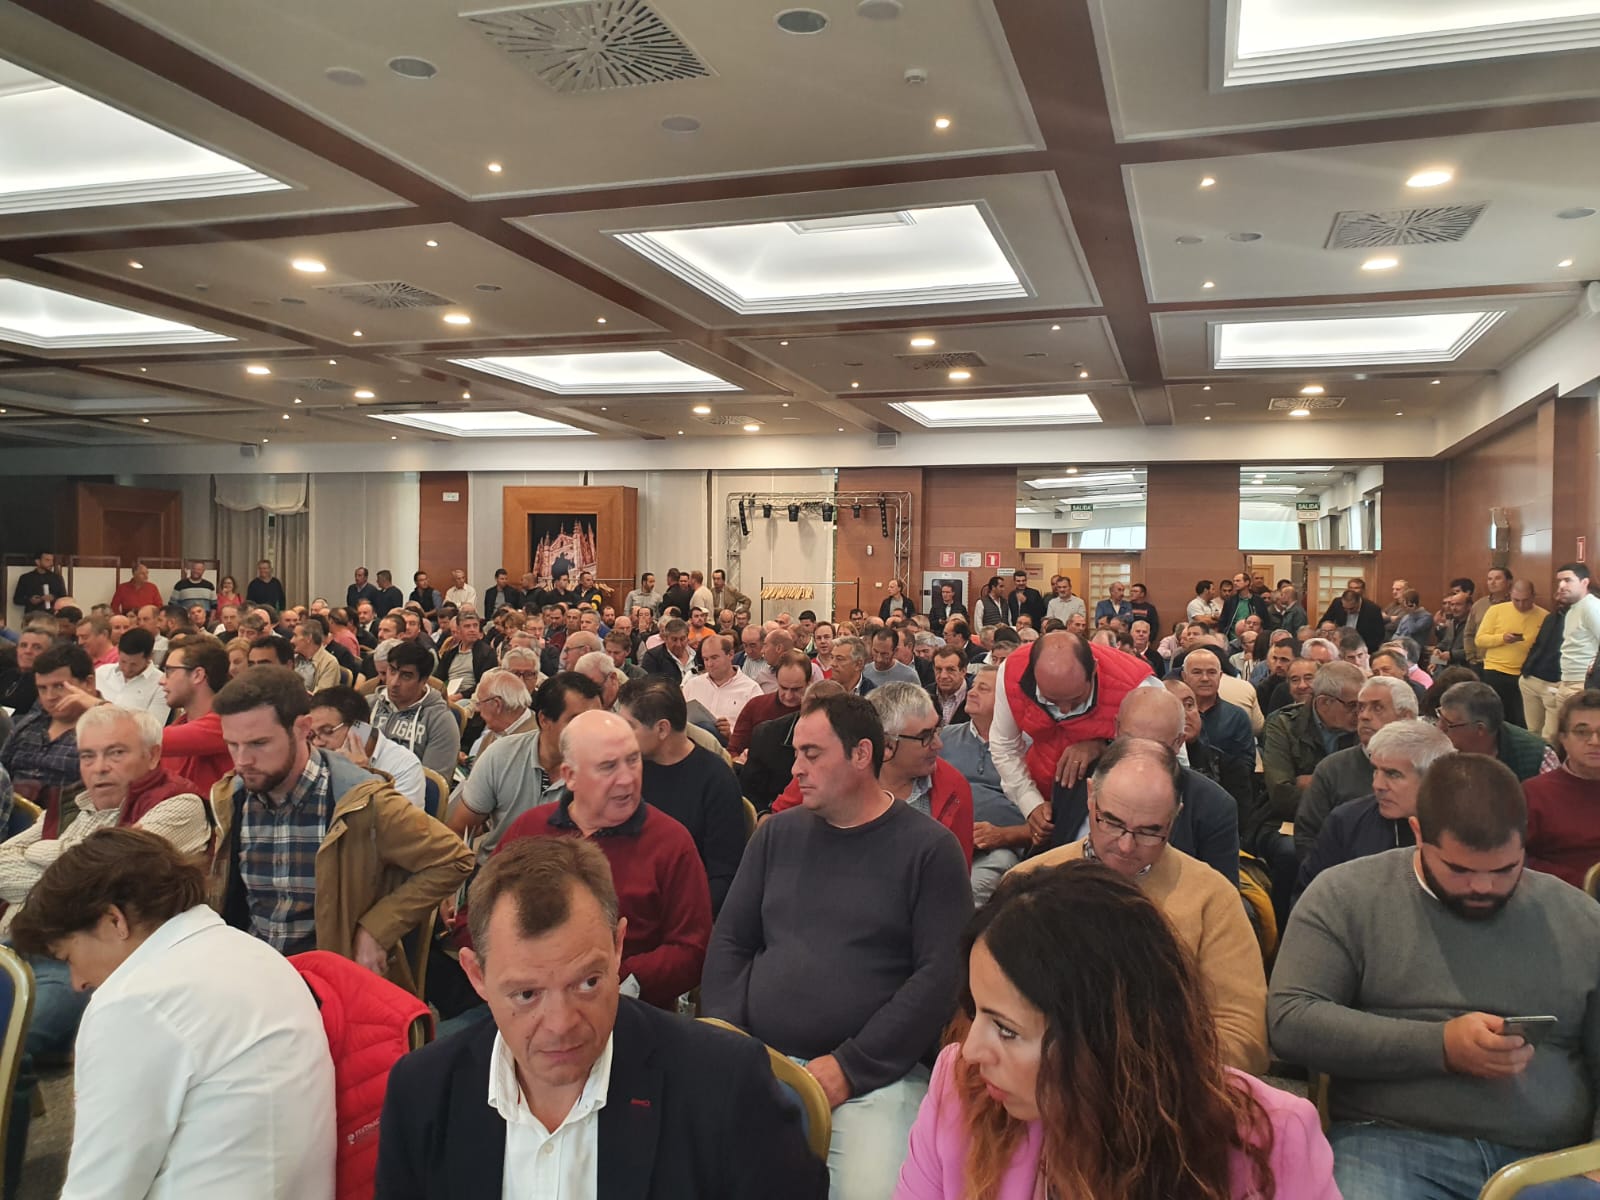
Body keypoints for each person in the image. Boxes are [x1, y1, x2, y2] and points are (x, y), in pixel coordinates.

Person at [376, 836, 824, 1198]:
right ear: (477, 976)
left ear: (618, 946)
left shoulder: (725, 1086)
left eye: (587, 983)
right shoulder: (421, 1093)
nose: (561, 1024)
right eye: (527, 994)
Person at [896, 863, 1336, 1200]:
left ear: (1105, 1040)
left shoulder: (1271, 1139)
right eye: (975, 1010)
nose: (971, 1050)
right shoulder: (961, 1089)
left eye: (1006, 1030)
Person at [1270, 753, 1600, 1200]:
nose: (1483, 886)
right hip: (1392, 1140)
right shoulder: (1347, 895)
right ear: (1418, 832)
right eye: (1459, 869)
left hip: (1553, 1157)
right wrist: (1440, 1046)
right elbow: (1291, 1020)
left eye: (1505, 869)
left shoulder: (1580, 918)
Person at [704, 692, 970, 1200]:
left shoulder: (930, 851)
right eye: (796, 753)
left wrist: (851, 1066)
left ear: (862, 754)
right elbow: (731, 941)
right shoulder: (775, 835)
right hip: (756, 1061)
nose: (796, 769)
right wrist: (729, 1041)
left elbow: (939, 977)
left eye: (812, 754)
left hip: (876, 1080)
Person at [12, 828, 337, 1199]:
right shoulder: (250, 950)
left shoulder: (134, 1003)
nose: (77, 983)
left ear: (114, 921)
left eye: (68, 957)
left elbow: (100, 1189)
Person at [1012, 738, 1268, 1073]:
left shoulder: (1213, 898)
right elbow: (987, 1009)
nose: (1126, 846)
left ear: (1175, 817)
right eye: (1111, 822)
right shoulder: (1028, 882)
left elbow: (1244, 1035)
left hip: (1164, 1090)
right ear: (1090, 797)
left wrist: (1137, 1074)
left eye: (1150, 831)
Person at [211, 667, 473, 989]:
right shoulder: (231, 799)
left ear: (302, 729)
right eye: (232, 745)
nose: (242, 761)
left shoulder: (360, 802)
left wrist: (377, 928)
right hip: (250, 974)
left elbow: (454, 859)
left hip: (328, 985)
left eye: (258, 743)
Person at [488, 709, 710, 1010]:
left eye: (633, 760)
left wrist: (612, 979)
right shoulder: (529, 830)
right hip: (526, 1003)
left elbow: (692, 950)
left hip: (629, 1010)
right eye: (608, 767)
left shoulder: (671, 842)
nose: (627, 779)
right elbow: (477, 918)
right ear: (570, 776)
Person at [989, 630, 1155, 852]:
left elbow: (1164, 759)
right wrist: (1030, 802)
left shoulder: (1141, 687)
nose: (1065, 710)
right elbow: (1004, 745)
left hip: (1112, 815)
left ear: (1093, 670)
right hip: (1041, 797)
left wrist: (1105, 746)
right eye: (1050, 700)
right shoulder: (1011, 672)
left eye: (1077, 699)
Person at [615, 678, 746, 914]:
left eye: (629, 726)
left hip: (682, 908)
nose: (620, 735)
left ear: (662, 729)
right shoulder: (627, 768)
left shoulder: (715, 780)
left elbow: (724, 875)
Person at [1293, 719, 1454, 904]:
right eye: (1375, 770)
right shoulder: (1345, 821)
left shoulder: (1464, 827)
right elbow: (1310, 898)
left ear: (1432, 779)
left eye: (1393, 774)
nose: (1377, 785)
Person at [1294, 675, 1419, 857]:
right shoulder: (1332, 769)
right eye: (1361, 707)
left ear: (1406, 717)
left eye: (1377, 708)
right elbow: (1307, 837)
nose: (1364, 716)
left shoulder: (1428, 766)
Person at [940, 663, 1030, 903]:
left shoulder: (1029, 747)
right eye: (973, 686)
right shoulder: (944, 737)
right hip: (944, 839)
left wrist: (1002, 835)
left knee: (965, 895)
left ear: (1005, 701)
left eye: (983, 688)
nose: (971, 692)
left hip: (999, 847)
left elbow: (1046, 822)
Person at [1, 642, 94, 810]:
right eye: (42, 688)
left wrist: (97, 706)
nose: (49, 696)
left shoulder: (106, 730)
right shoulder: (29, 725)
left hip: (67, 818)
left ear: (88, 683)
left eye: (59, 686)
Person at [308, 684, 426, 808]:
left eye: (327, 731)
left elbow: (396, 820)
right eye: (312, 735)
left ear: (359, 729)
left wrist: (359, 778)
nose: (317, 743)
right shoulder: (316, 757)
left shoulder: (405, 767)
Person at [367, 640, 462, 779]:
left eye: (406, 676)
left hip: (406, 789)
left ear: (423, 680)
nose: (394, 682)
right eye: (392, 671)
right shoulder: (368, 704)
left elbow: (432, 784)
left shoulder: (440, 721)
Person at [1436, 680, 1557, 781]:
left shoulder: (1538, 758)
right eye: (1439, 716)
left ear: (1480, 729)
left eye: (1448, 723)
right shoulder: (1437, 750)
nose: (1439, 727)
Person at [1475, 578, 1547, 728]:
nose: (1521, 605)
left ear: (1533, 596)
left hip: (1526, 674)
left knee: (1523, 720)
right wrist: (1502, 638)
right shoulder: (1496, 610)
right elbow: (1480, 640)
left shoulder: (1544, 616)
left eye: (1525, 600)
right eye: (1516, 600)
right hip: (1496, 670)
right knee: (1496, 718)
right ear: (1510, 595)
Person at [681, 632, 763, 743]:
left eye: (714, 658)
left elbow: (758, 734)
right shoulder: (692, 685)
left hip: (729, 748)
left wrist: (731, 734)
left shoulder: (751, 690)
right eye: (706, 659)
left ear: (731, 655)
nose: (709, 664)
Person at [93, 626, 169, 723]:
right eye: (123, 661)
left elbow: (154, 726)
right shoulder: (101, 672)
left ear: (149, 657)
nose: (127, 669)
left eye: (134, 664)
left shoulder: (161, 684)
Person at [12, 551, 66, 616]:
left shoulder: (57, 578)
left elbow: (64, 598)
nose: (51, 563)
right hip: (32, 615)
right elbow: (17, 599)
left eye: (52, 560)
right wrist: (30, 600)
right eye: (47, 560)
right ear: (38, 561)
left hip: (53, 616)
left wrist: (53, 598)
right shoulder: (26, 578)